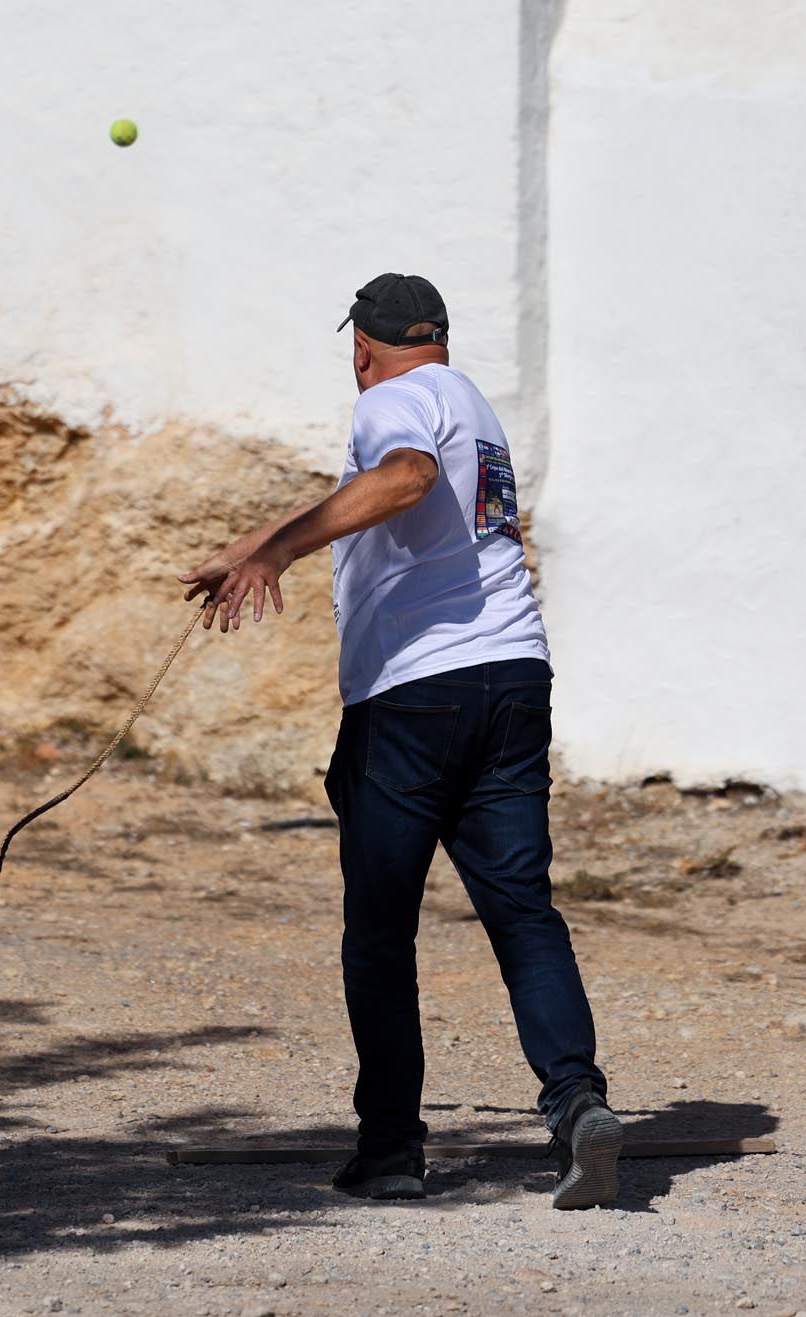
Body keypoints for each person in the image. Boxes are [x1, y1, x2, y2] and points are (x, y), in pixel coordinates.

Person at [178, 273, 619, 1209]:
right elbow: (403, 495)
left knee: (380, 929)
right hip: (512, 681)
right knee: (522, 911)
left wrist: (276, 552)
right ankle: (578, 1102)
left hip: (415, 700)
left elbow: (405, 477)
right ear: (441, 338)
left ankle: (390, 1150)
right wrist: (260, 539)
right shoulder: (469, 403)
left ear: (361, 347)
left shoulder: (391, 402)